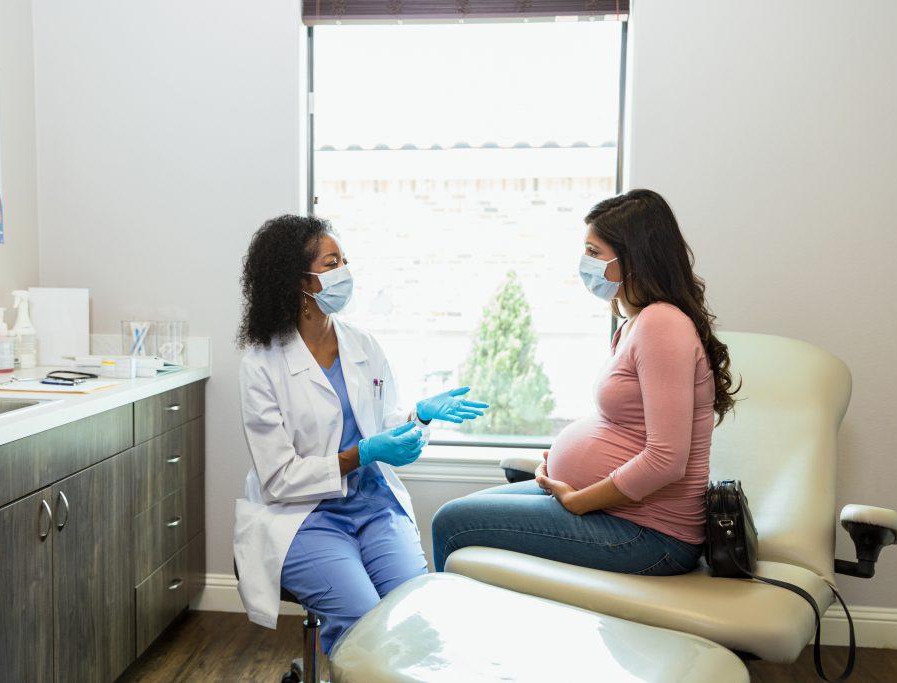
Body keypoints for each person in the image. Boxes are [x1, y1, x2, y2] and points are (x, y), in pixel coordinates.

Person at [432, 189, 738, 577]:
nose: (585, 263)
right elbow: (626, 426)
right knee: (457, 513)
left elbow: (666, 460)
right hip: (620, 513)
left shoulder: (662, 325)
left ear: (633, 259)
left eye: (594, 252)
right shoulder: (634, 323)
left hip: (652, 535)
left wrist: (579, 500)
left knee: (452, 523)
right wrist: (563, 465)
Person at [233, 214, 489, 654]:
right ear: (301, 282)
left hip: (374, 507)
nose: (345, 273)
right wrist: (362, 452)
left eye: (344, 260)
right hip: (305, 516)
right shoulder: (262, 364)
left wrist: (420, 418)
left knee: (413, 614)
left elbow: (387, 427)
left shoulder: (363, 345)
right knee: (364, 625)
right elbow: (279, 479)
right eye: (332, 263)